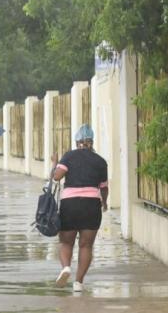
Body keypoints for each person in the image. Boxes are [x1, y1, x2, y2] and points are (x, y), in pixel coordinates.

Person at [52, 124, 108, 293]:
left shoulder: (69, 156)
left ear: (77, 142)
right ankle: (78, 283)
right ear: (92, 141)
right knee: (86, 246)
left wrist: (55, 163)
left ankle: (66, 267)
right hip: (91, 205)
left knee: (66, 242)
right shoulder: (100, 161)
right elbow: (104, 188)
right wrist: (104, 203)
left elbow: (56, 177)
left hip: (70, 205)